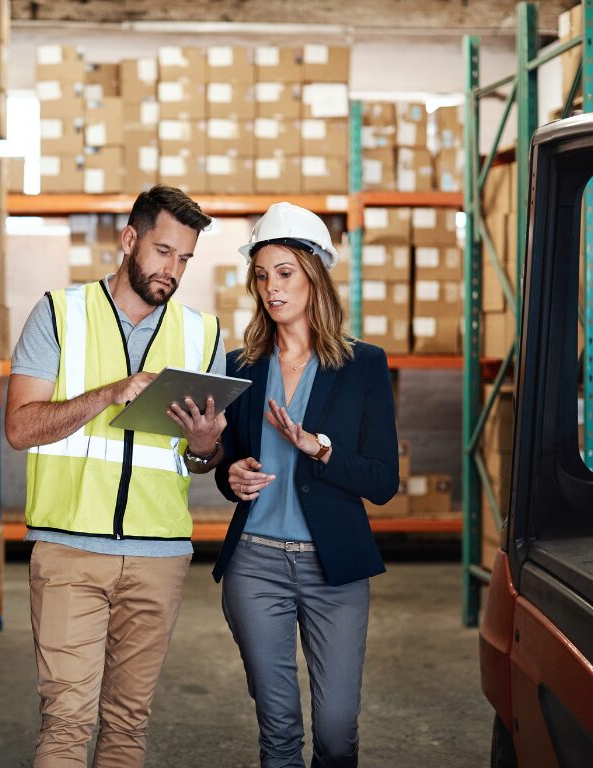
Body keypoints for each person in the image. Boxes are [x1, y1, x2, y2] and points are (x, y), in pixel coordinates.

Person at [5, 185, 227, 768]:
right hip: (68, 553)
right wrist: (109, 393)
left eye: (184, 259)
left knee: (128, 726)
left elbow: (200, 462)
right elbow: (21, 429)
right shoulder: (58, 314)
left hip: (160, 557)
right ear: (129, 240)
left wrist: (207, 447)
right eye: (162, 252)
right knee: (66, 725)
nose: (171, 270)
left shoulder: (204, 336)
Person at [211, 202, 400, 768]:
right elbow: (229, 464)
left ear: (316, 275)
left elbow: (384, 482)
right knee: (279, 732)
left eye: (285, 273)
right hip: (256, 565)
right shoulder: (240, 367)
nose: (272, 288)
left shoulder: (363, 366)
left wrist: (318, 447)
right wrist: (230, 474)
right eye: (263, 275)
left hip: (333, 570)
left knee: (338, 734)